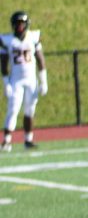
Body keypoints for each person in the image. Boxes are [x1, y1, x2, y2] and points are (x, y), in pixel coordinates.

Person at [1, 12, 47, 152]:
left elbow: (40, 59)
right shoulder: (7, 40)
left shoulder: (33, 37)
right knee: (13, 109)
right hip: (16, 81)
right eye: (17, 24)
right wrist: (6, 83)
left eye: (22, 23)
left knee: (29, 110)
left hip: (31, 80)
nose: (19, 26)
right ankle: (7, 140)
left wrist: (43, 80)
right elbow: (3, 64)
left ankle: (28, 139)